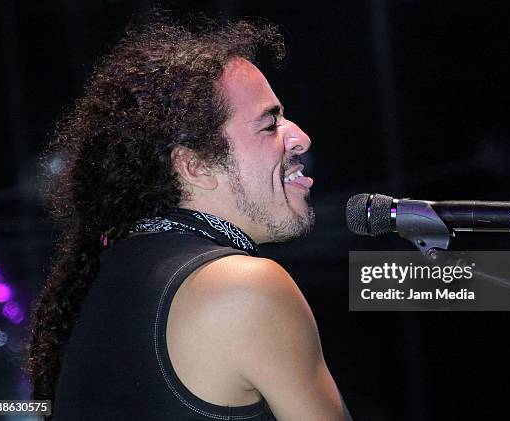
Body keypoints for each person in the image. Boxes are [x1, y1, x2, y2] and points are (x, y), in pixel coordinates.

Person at [26, 16, 352, 421]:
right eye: (270, 124)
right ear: (196, 166)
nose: (299, 136)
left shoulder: (89, 287)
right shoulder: (244, 286)